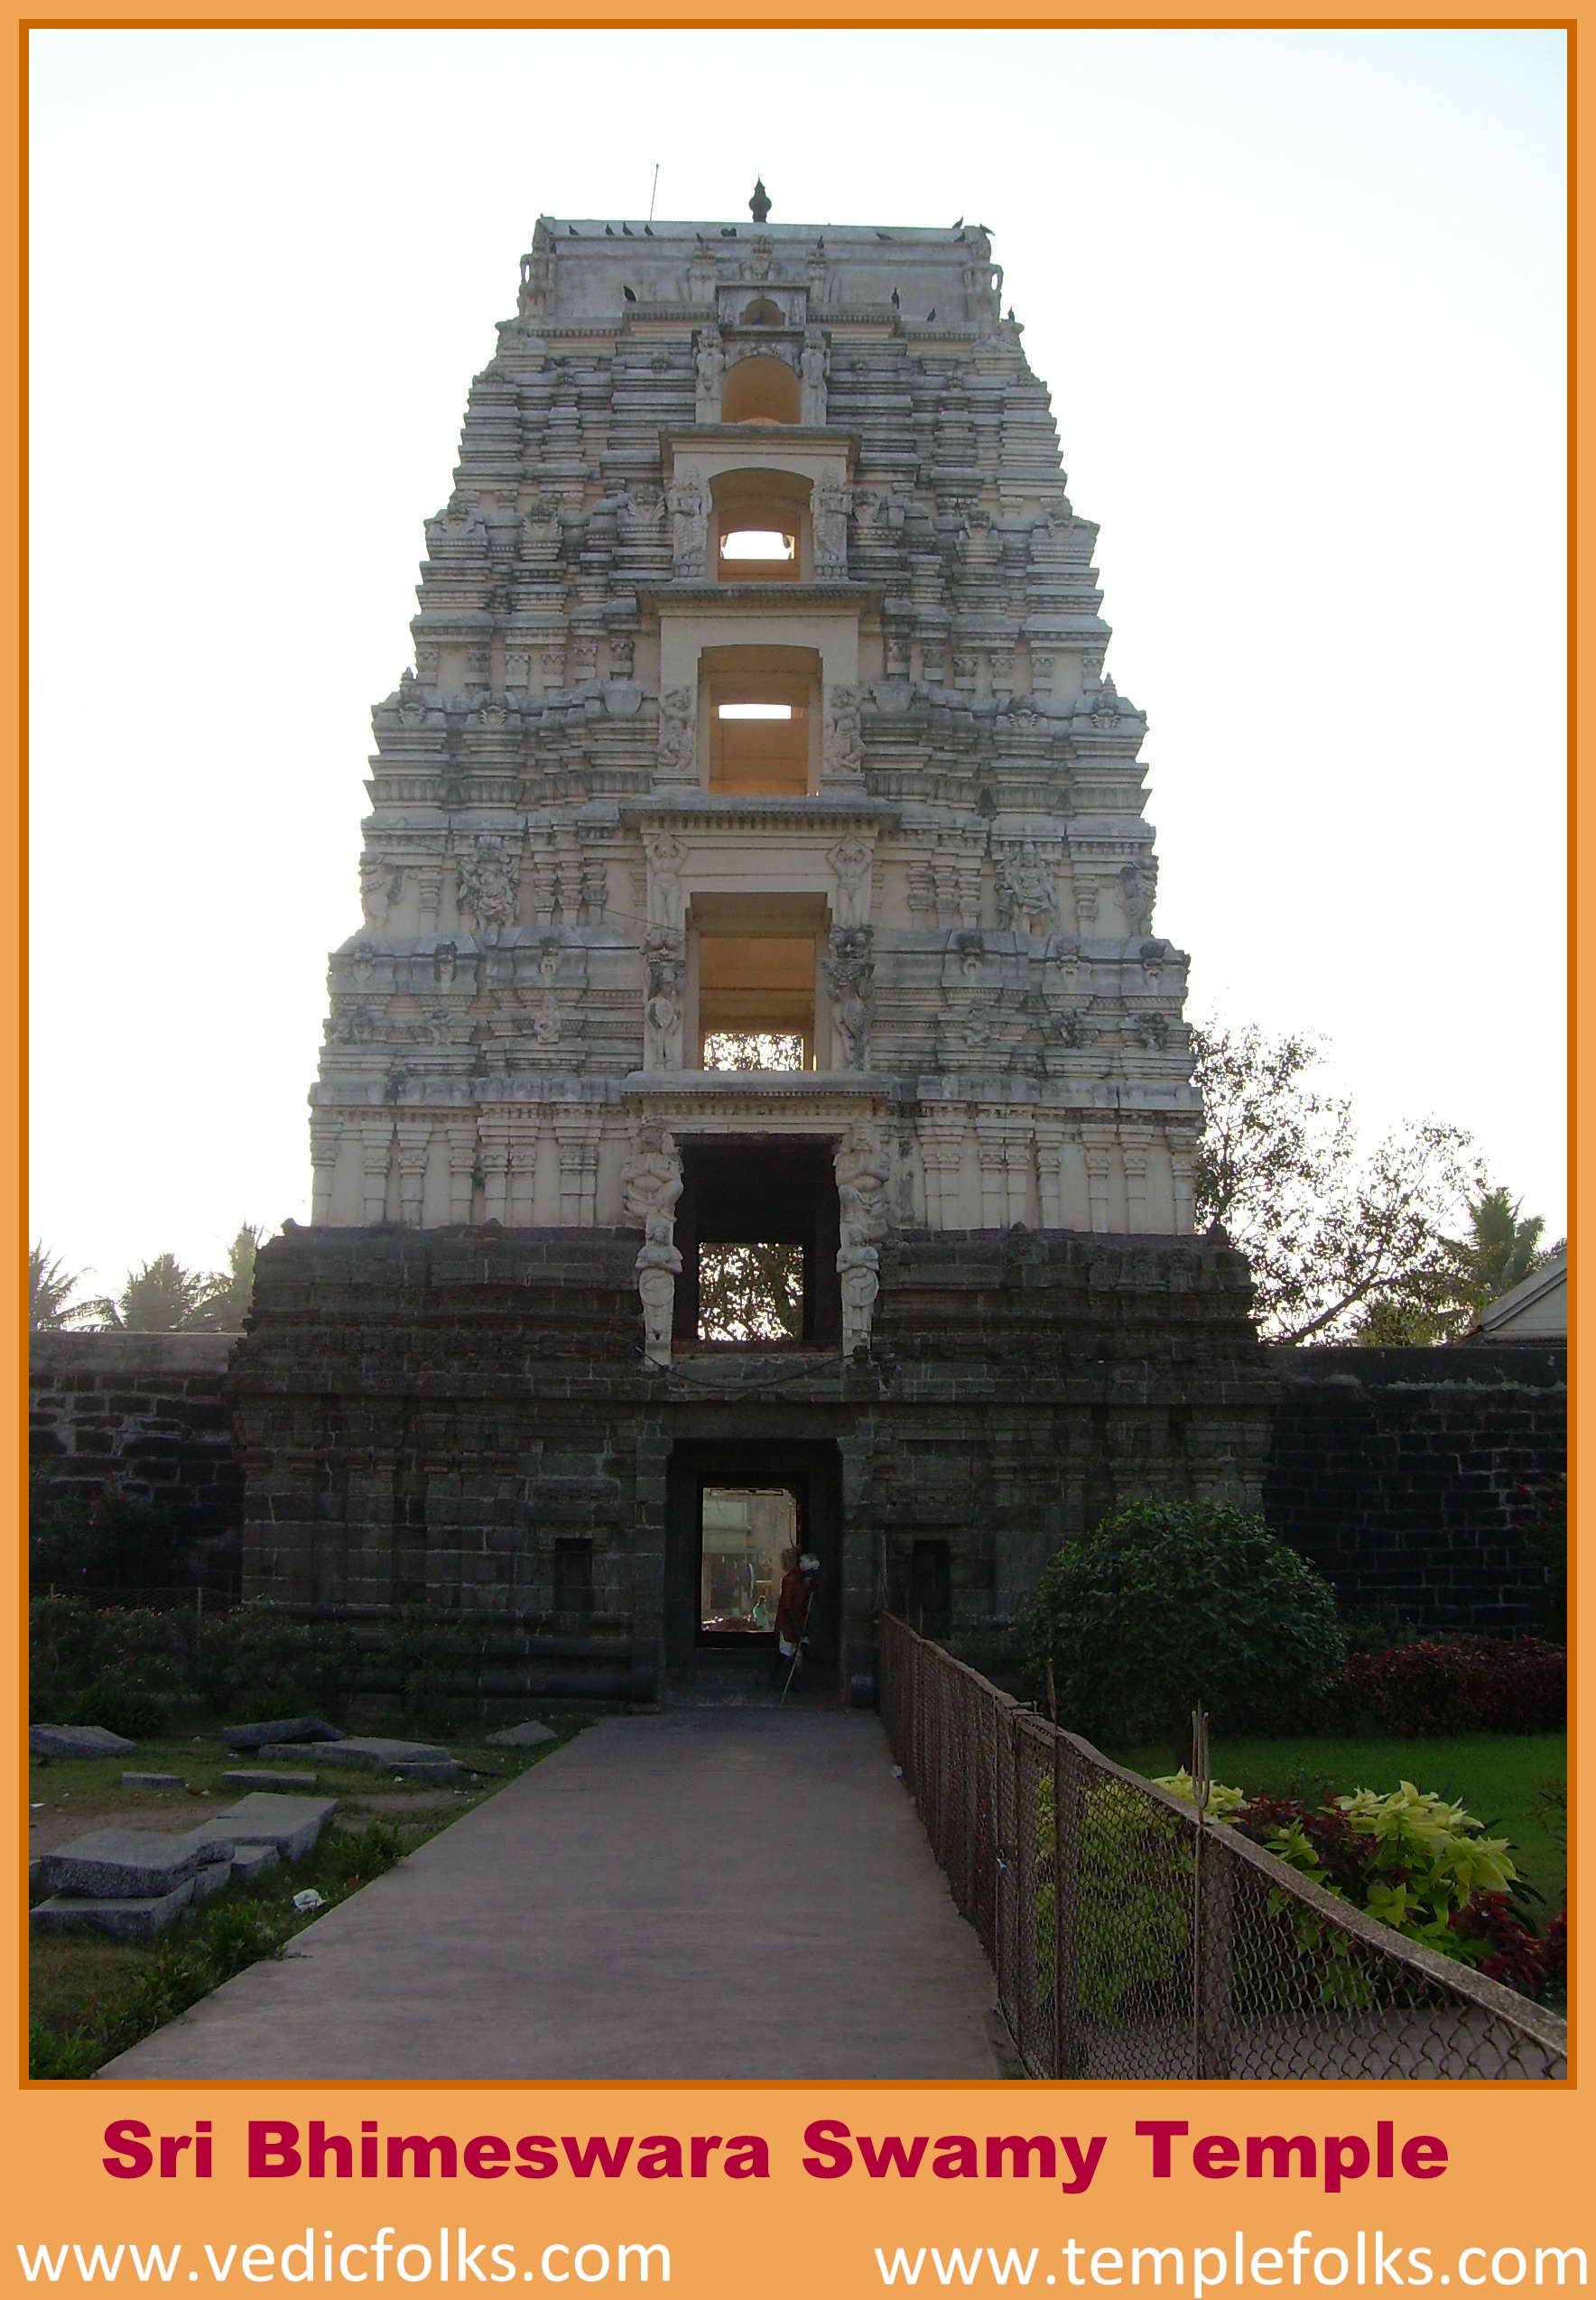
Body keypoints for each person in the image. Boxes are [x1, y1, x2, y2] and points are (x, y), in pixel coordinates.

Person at [774, 1549, 820, 1686]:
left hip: (799, 1622)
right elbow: (788, 1606)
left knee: (801, 1650)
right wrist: (797, 1627)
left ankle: (796, 1680)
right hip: (789, 1624)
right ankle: (779, 1680)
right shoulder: (792, 1580)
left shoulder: (804, 1582)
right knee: (786, 1653)